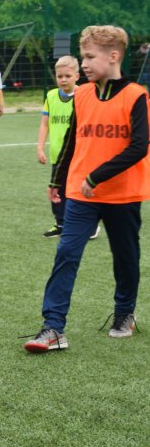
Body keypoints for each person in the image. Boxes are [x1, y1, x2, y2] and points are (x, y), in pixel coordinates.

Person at [24, 25, 150, 353]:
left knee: (125, 257)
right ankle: (53, 327)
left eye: (90, 57)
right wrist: (57, 179)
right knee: (67, 253)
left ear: (113, 56)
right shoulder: (81, 93)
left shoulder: (137, 96)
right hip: (80, 192)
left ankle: (124, 313)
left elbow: (139, 146)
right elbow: (71, 138)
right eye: (83, 57)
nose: (84, 64)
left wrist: (96, 176)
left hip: (122, 193)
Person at [36, 56, 79, 237]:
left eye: (67, 76)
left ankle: (86, 225)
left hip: (78, 155)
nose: (63, 80)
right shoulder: (51, 96)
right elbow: (45, 124)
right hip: (57, 155)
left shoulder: (84, 95)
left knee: (76, 192)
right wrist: (40, 147)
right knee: (57, 191)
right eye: (59, 76)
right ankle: (60, 224)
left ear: (77, 76)